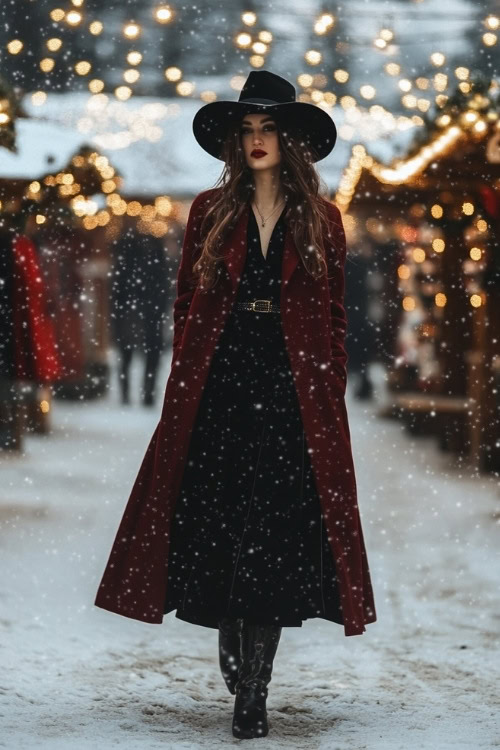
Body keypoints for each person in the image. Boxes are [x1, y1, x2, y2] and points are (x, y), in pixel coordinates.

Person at [95, 70, 376, 740]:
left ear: (291, 138)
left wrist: (327, 379)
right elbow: (187, 302)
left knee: (277, 529)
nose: (255, 140)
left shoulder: (323, 219)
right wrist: (189, 369)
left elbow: (335, 315)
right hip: (220, 380)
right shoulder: (207, 211)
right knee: (220, 516)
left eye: (267, 128)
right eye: (246, 129)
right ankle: (228, 623)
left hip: (291, 384)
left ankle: (255, 687)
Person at [109, 217, 169, 406]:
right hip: (145, 310)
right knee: (146, 355)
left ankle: (134, 394)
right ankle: (144, 394)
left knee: (131, 354)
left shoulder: (127, 252)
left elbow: (118, 286)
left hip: (137, 309)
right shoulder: (152, 253)